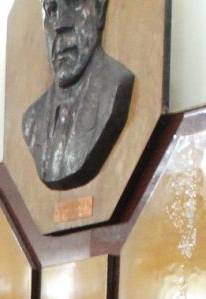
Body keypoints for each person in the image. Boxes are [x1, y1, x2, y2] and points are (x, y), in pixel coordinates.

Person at [21, 0, 136, 190]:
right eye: (51, 10)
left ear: (99, 10)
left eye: (73, 3)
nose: (60, 24)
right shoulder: (31, 121)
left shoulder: (116, 87)